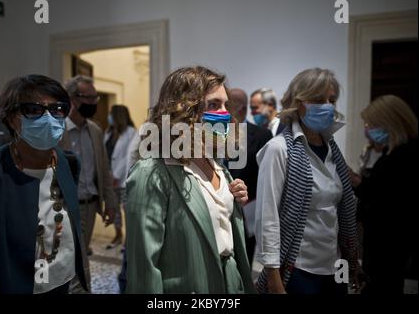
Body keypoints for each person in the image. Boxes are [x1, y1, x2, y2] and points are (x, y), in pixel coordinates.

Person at [125, 66, 255, 293]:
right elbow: (144, 268)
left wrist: (232, 201)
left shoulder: (218, 166)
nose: (224, 113)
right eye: (213, 105)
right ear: (185, 109)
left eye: (226, 105)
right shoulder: (152, 172)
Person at [0, 74, 89, 293]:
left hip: (60, 283)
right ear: (13, 118)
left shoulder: (67, 163)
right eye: (33, 110)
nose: (48, 117)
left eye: (57, 109)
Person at [255, 68, 359, 294]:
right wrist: (274, 279)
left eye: (332, 100)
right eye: (319, 99)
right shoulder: (279, 149)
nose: (328, 106)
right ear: (298, 102)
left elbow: (339, 209)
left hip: (335, 265)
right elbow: (268, 217)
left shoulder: (332, 149)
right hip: (298, 268)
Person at [351, 95, 418, 294]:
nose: (367, 129)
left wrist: (358, 182)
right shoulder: (392, 152)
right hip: (383, 243)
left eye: (371, 124)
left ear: (389, 123)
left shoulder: (405, 155)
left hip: (390, 245)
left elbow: (389, 199)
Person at [60, 75, 116, 292]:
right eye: (88, 98)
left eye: (96, 98)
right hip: (65, 205)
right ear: (72, 99)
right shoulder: (58, 130)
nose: (94, 103)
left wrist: (109, 202)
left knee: (80, 254)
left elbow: (103, 169)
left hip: (90, 205)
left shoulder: (95, 130)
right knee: (75, 258)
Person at [227, 88, 272, 265]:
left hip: (248, 213)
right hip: (218, 211)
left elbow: (266, 178)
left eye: (228, 105)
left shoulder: (262, 135)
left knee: (243, 265)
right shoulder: (212, 134)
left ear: (241, 108)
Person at [104, 105, 137, 248]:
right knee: (114, 209)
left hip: (123, 179)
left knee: (126, 209)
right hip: (109, 177)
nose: (109, 117)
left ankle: (129, 240)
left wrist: (116, 175)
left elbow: (128, 157)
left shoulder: (131, 132)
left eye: (111, 114)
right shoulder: (109, 132)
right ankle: (118, 235)